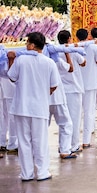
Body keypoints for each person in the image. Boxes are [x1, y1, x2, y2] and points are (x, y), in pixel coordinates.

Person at [6, 32, 60, 181]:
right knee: (40, 140)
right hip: (39, 107)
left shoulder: (21, 60)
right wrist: (43, 94)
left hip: (21, 107)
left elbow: (11, 76)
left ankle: (27, 173)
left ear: (31, 45)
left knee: (24, 142)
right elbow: (54, 85)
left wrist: (11, 60)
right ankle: (42, 172)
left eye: (27, 42)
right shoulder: (48, 62)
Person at [54, 30, 86, 154]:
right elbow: (84, 62)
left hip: (61, 90)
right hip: (73, 88)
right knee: (74, 119)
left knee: (64, 121)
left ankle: (63, 145)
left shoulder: (55, 52)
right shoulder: (72, 51)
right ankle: (73, 145)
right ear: (69, 39)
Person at [78, 27, 97, 148]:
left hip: (78, 83)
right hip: (91, 82)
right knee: (89, 111)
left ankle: (75, 142)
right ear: (87, 36)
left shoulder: (75, 47)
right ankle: (86, 140)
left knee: (78, 112)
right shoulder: (93, 47)